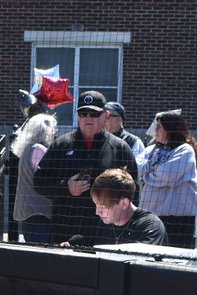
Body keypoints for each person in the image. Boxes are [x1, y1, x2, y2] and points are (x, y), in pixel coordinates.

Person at [33, 90, 138, 244]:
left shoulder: (120, 148)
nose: (88, 118)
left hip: (106, 233)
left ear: (106, 116)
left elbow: (134, 190)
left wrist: (127, 226)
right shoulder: (61, 145)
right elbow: (39, 182)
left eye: (94, 114)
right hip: (65, 229)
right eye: (83, 114)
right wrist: (66, 187)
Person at [136, 109, 197, 249]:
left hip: (178, 218)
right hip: (152, 214)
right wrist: (152, 167)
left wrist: (146, 176)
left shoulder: (184, 150)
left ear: (170, 128)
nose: (155, 130)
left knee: (176, 256)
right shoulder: (151, 149)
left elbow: (165, 176)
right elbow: (137, 168)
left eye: (159, 127)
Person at [10, 112, 57, 244]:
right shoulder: (38, 149)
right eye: (53, 128)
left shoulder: (28, 149)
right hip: (38, 212)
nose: (55, 132)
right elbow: (46, 178)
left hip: (30, 212)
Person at [88, 168, 167, 246]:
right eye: (96, 205)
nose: (97, 212)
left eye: (104, 207)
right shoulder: (104, 224)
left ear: (124, 203)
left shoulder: (151, 226)